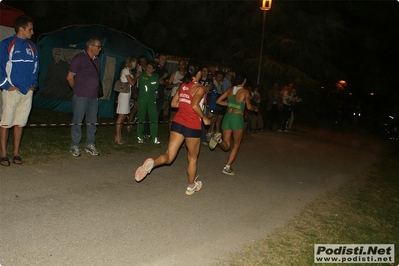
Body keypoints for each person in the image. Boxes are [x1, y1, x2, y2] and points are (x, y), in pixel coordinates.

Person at [135, 62, 210, 195]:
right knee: (192, 158)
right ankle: (191, 185)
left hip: (178, 123)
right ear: (198, 73)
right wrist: (204, 117)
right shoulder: (200, 88)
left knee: (169, 156)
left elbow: (173, 104)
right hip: (192, 125)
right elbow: (194, 105)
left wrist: (184, 104)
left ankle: (153, 163)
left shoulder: (183, 85)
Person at [0, 15, 39, 166]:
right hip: (11, 91)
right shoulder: (6, 44)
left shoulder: (32, 46)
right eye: (30, 29)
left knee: (20, 123)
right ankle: (3, 154)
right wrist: (6, 85)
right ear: (21, 29)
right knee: (5, 123)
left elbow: (36, 67)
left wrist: (33, 85)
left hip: (27, 92)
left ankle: (16, 153)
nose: (32, 32)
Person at [209, 75, 257, 175]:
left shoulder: (230, 89)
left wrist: (230, 104)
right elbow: (248, 106)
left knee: (226, 146)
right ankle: (227, 167)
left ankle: (219, 140)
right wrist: (255, 108)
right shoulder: (245, 91)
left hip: (227, 117)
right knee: (236, 145)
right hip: (237, 118)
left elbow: (218, 101)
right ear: (244, 80)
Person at [66, 37, 102, 157]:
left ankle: (90, 144)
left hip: (94, 97)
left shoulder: (97, 60)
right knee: (77, 121)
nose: (100, 49)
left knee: (92, 122)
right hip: (81, 95)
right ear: (90, 46)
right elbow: (70, 77)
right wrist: (76, 90)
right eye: (98, 47)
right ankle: (74, 145)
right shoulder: (79, 58)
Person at [115, 56, 140, 144]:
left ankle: (118, 135)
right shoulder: (125, 70)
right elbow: (132, 83)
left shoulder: (128, 71)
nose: (136, 65)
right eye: (136, 63)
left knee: (124, 116)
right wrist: (136, 77)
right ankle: (118, 136)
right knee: (121, 117)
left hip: (127, 95)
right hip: (123, 96)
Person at [136, 61, 160, 144]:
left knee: (154, 117)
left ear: (154, 69)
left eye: (150, 67)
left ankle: (154, 137)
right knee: (141, 117)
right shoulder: (142, 75)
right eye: (148, 66)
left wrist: (149, 84)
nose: (148, 68)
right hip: (142, 98)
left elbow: (156, 86)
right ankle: (140, 136)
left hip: (152, 99)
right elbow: (142, 86)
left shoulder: (156, 76)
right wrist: (150, 84)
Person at [126, 55, 147, 132]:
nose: (143, 63)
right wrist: (134, 91)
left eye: (144, 61)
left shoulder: (149, 69)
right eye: (141, 61)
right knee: (135, 108)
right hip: (138, 90)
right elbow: (133, 82)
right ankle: (128, 125)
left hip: (146, 91)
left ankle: (142, 127)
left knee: (145, 110)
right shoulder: (137, 70)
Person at [166, 59, 187, 130]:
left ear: (185, 65)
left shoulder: (187, 75)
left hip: (184, 97)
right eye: (180, 64)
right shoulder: (175, 74)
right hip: (175, 96)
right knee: (173, 115)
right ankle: (170, 131)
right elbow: (167, 85)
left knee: (182, 115)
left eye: (182, 64)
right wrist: (175, 85)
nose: (181, 66)